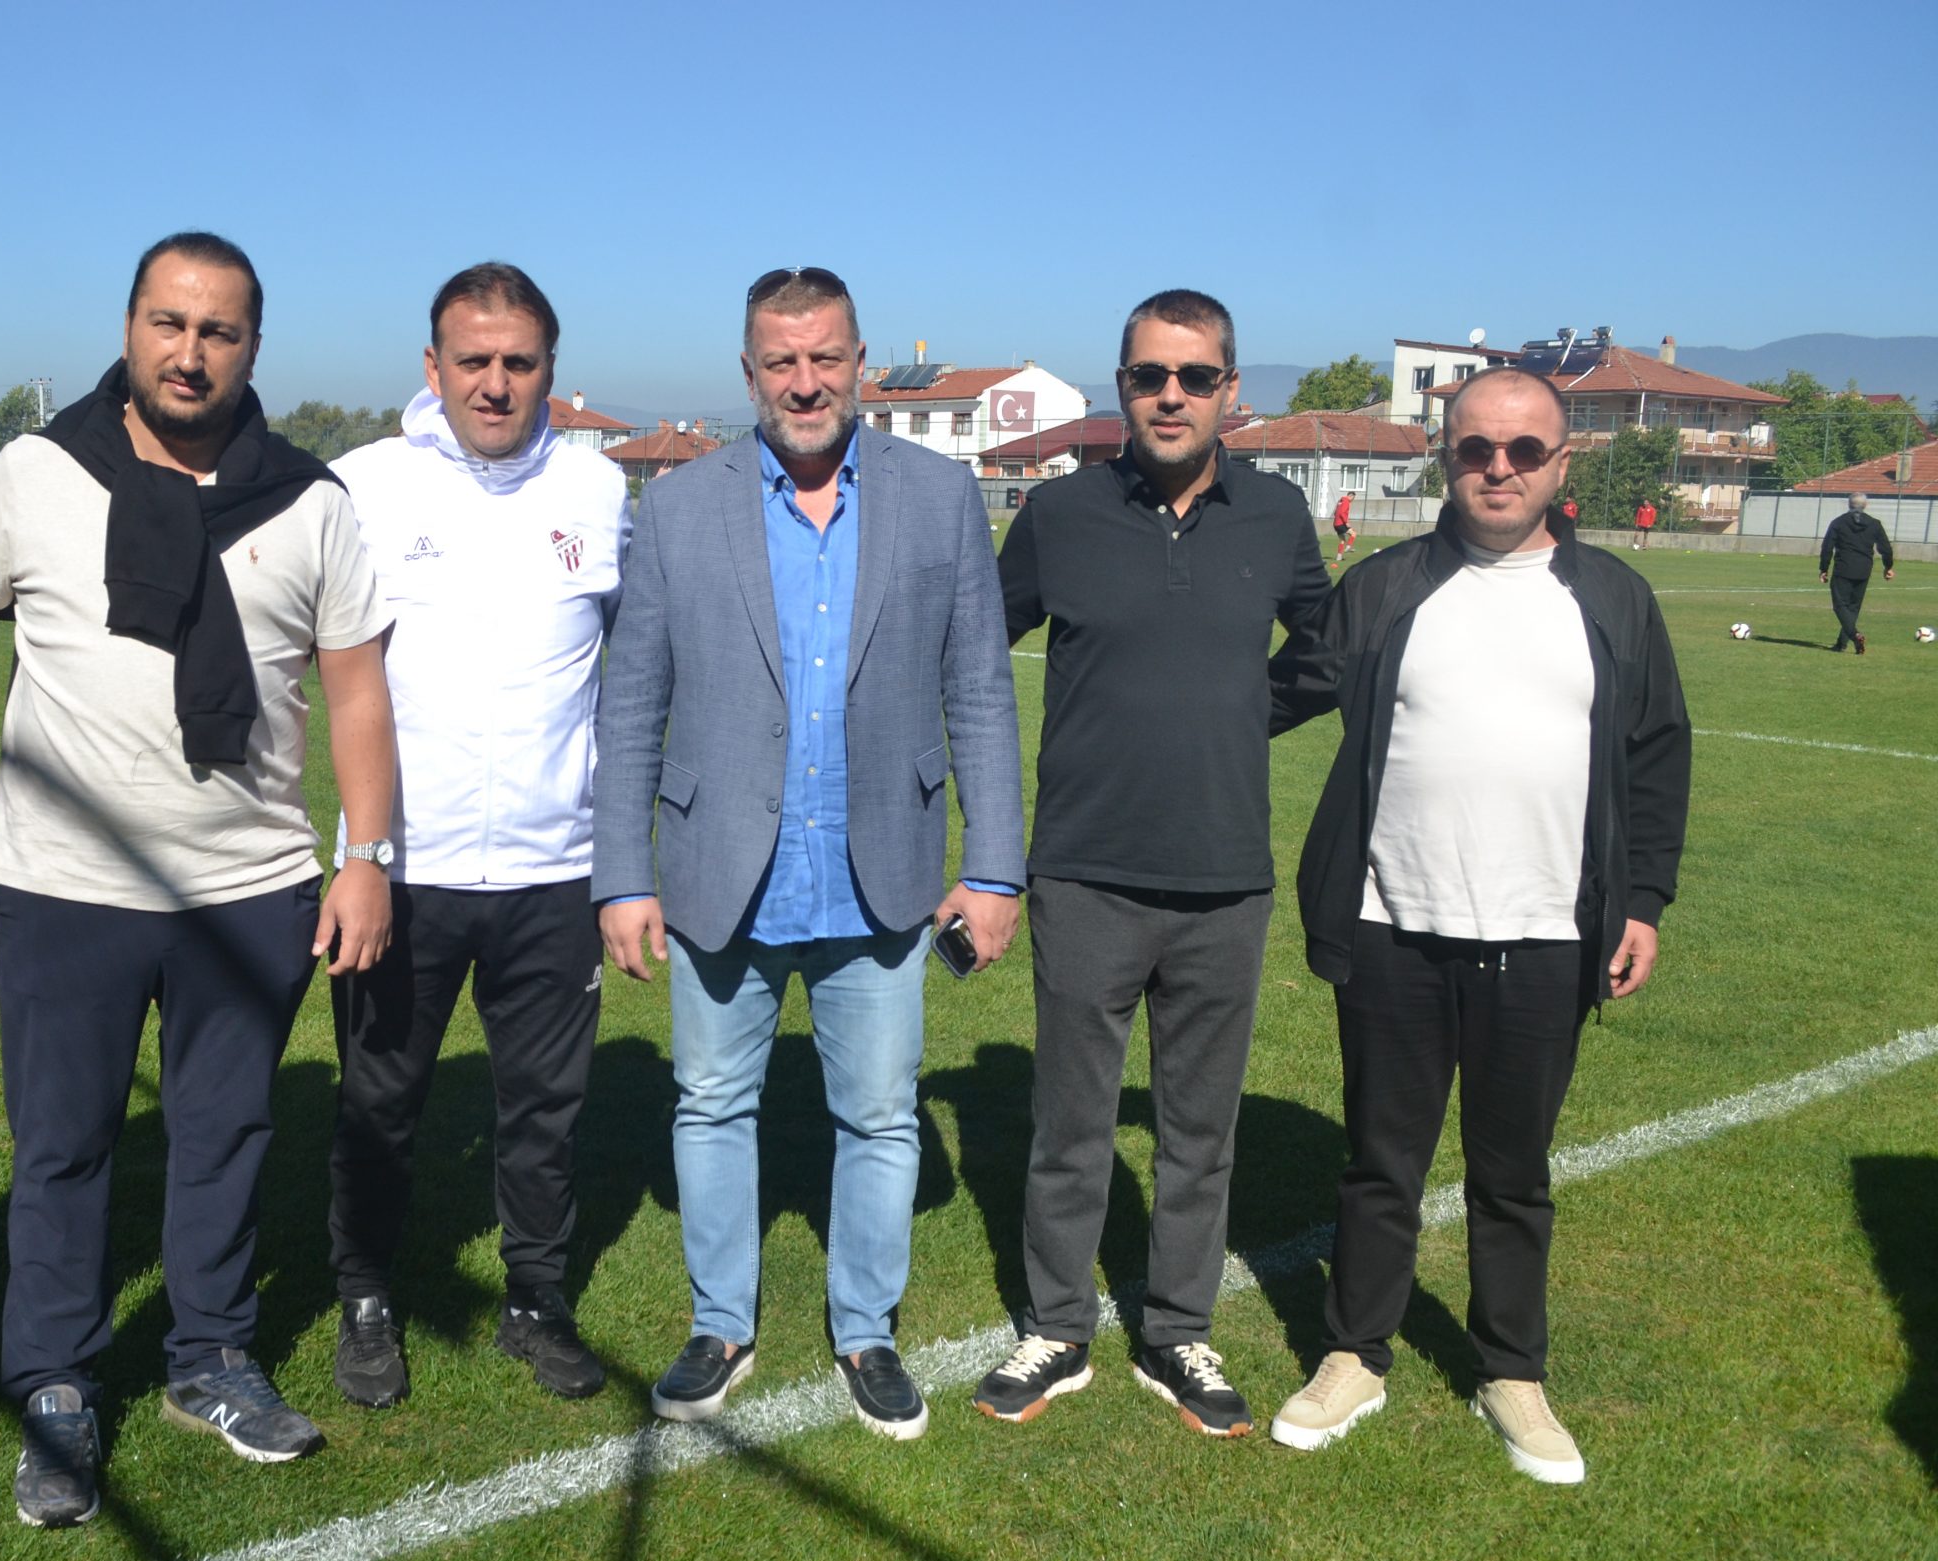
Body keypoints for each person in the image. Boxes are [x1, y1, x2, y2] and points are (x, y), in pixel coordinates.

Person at [0, 233, 397, 1528]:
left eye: (219, 331)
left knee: (226, 1135)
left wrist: (366, 858)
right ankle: (53, 1381)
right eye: (169, 322)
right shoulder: (36, 474)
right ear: (130, 326)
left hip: (248, 883)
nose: (190, 352)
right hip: (67, 885)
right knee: (63, 1147)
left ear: (253, 347)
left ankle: (210, 1356)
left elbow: (356, 691)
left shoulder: (310, 501)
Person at [594, 267, 1025, 1440]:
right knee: (709, 1106)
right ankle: (719, 1324)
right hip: (719, 870)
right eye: (780, 361)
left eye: (823, 357)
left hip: (881, 869)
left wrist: (994, 869)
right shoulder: (678, 509)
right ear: (748, 372)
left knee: (880, 1116)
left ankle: (867, 1331)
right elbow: (631, 704)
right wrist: (622, 876)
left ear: (859, 362)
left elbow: (979, 692)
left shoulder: (939, 498)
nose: (803, 381)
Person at [1265, 366, 1690, 1484]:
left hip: (1549, 936)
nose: (1498, 469)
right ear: (1443, 456)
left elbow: (1656, 754)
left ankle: (1512, 1371)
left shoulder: (1612, 598)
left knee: (1513, 1173)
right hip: (1391, 926)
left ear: (1561, 462)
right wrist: (1140, 702)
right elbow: (1271, 695)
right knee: (1380, 1163)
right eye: (1474, 449)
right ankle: (1354, 1354)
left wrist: (1643, 901)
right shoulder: (1384, 586)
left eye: (1524, 450)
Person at [975, 290, 1330, 1435]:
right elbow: (975, 653)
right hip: (1084, 872)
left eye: (1193, 377)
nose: (1169, 396)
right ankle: (1055, 1329)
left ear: (1230, 391)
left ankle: (1179, 1333)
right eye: (1147, 376)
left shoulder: (1275, 514)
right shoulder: (1060, 513)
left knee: (1198, 1134)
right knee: (1070, 1124)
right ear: (1121, 386)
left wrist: (1234, 718)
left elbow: (1322, 656)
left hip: (1224, 879)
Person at [321, 263, 630, 1409]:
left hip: (556, 873)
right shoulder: (363, 485)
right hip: (402, 871)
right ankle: (365, 1297)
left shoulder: (598, 489)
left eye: (518, 362)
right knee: (379, 1102)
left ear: (549, 369)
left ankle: (535, 1300)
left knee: (543, 1111)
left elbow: (632, 671)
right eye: (473, 361)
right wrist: (362, 856)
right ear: (432, 366)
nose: (495, 384)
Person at [1819, 491, 1895, 654]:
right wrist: (1888, 567)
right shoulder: (1874, 524)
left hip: (1843, 568)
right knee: (1853, 608)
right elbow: (1886, 548)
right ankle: (1841, 644)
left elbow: (1827, 548)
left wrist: (1823, 569)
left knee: (1840, 605)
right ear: (1865, 505)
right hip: (1864, 570)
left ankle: (1855, 635)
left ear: (1849, 504)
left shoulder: (1838, 523)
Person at [1331, 488, 1355, 563]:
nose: (1352, 500)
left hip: (1335, 524)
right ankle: (1348, 547)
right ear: (1351, 496)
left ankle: (1339, 557)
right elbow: (1342, 513)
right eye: (1353, 498)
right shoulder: (1346, 501)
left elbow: (1335, 512)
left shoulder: (1340, 501)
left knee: (1342, 540)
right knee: (1353, 534)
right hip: (1341, 523)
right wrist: (1346, 522)